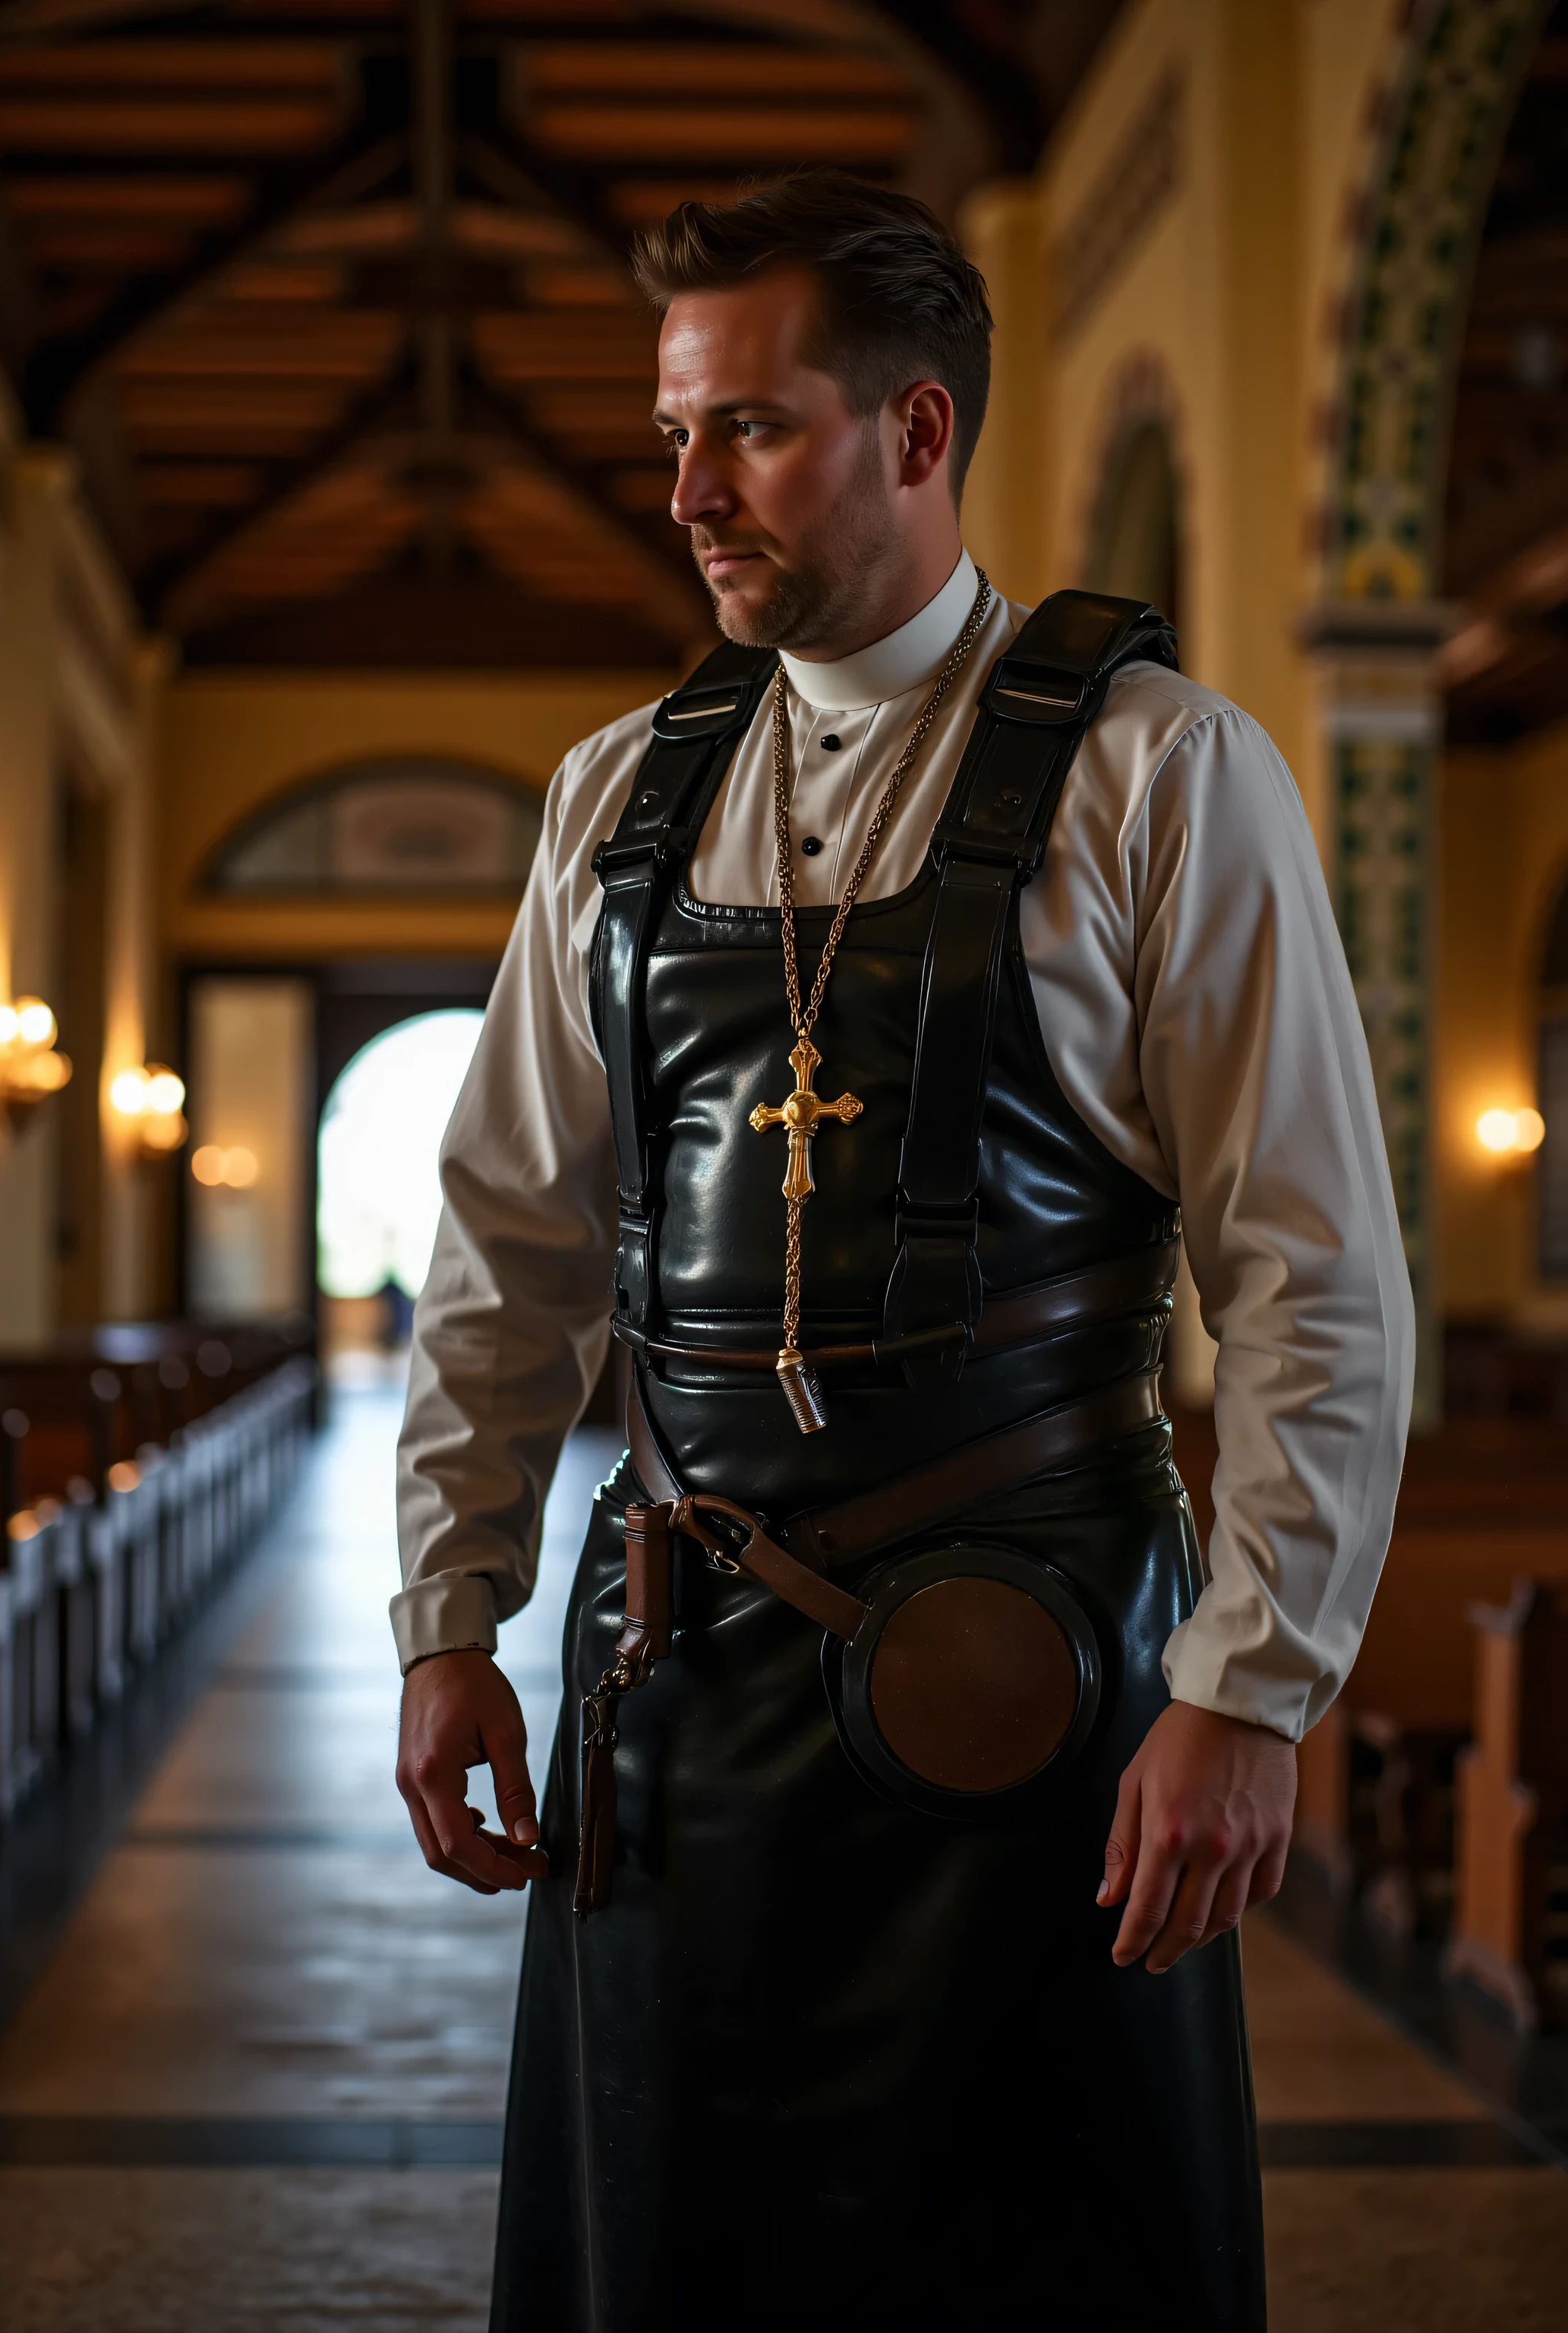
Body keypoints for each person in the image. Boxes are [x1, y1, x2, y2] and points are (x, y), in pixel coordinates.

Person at [393, 171, 1412, 2331]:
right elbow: (504, 1252)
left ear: (919, 433)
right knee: (666, 2266)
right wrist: (446, 1611)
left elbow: (1312, 1274)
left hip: (1035, 1681)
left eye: (746, 428)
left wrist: (1252, 1690)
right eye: (674, 433)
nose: (688, 491)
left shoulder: (1163, 774)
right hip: (670, 1680)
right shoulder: (618, 801)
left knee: (1045, 2268)